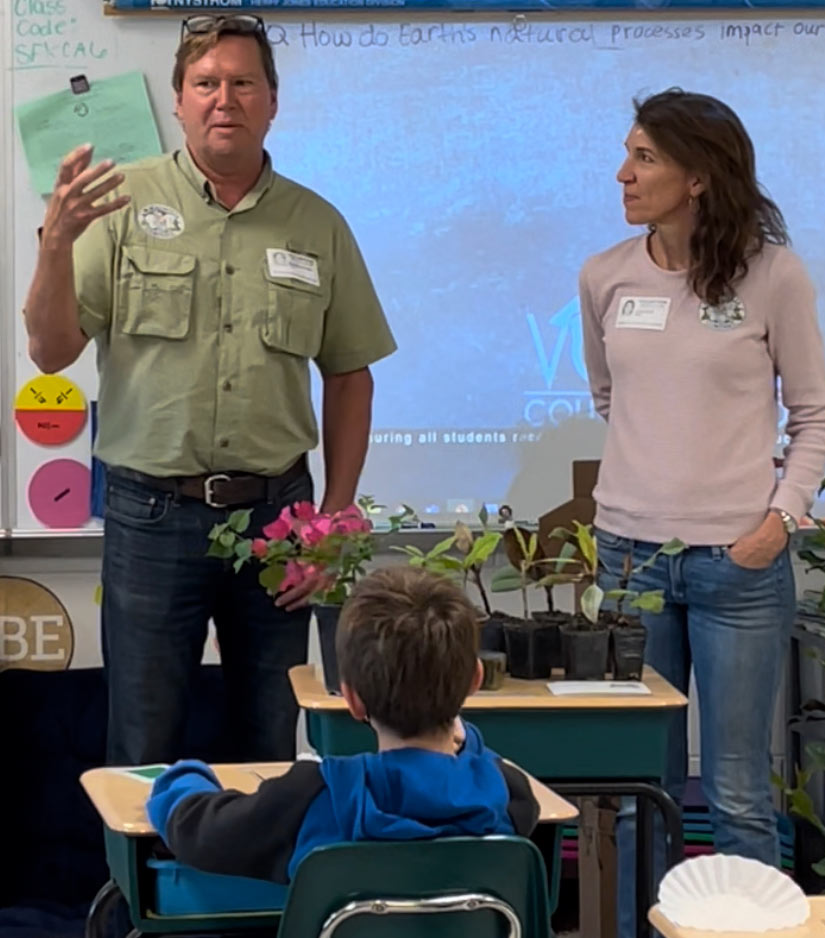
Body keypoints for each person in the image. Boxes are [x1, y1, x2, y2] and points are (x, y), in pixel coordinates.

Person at [22, 13, 396, 766]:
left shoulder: (317, 224)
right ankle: (140, 890)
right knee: (143, 740)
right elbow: (51, 350)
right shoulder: (119, 203)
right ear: (181, 99)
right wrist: (57, 246)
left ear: (271, 101)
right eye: (206, 83)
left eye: (242, 82)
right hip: (151, 516)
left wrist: (335, 515)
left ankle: (252, 888)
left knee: (267, 738)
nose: (224, 98)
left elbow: (351, 373)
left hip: (277, 520)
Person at [579, 89, 825, 937]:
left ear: (699, 175)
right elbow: (611, 397)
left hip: (741, 561)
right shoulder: (604, 276)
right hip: (629, 559)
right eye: (628, 154)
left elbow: (814, 416)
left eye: (644, 157)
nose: (624, 173)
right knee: (628, 794)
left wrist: (777, 521)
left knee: (737, 792)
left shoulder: (775, 274)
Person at [146, 566, 540, 881]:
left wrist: (182, 778)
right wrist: (465, 741)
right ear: (475, 680)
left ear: (351, 698)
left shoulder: (312, 797)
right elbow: (480, 764)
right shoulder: (507, 793)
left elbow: (200, 831)